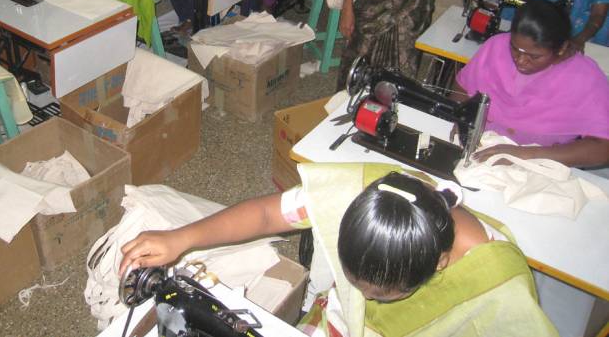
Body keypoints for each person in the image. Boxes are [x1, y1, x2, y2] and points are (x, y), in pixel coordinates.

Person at [120, 163, 557, 337]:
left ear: (439, 264)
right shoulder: (357, 191)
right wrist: (181, 238)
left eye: (379, 296)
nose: (363, 299)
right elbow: (265, 215)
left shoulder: (500, 287)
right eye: (356, 283)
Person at [455, 0, 609, 168]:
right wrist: (461, 120)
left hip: (539, 165)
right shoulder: (496, 46)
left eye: (534, 56)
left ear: (561, 48)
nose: (520, 60)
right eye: (514, 48)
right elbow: (462, 89)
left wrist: (526, 155)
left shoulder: (585, 77)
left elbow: (603, 148)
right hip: (478, 153)